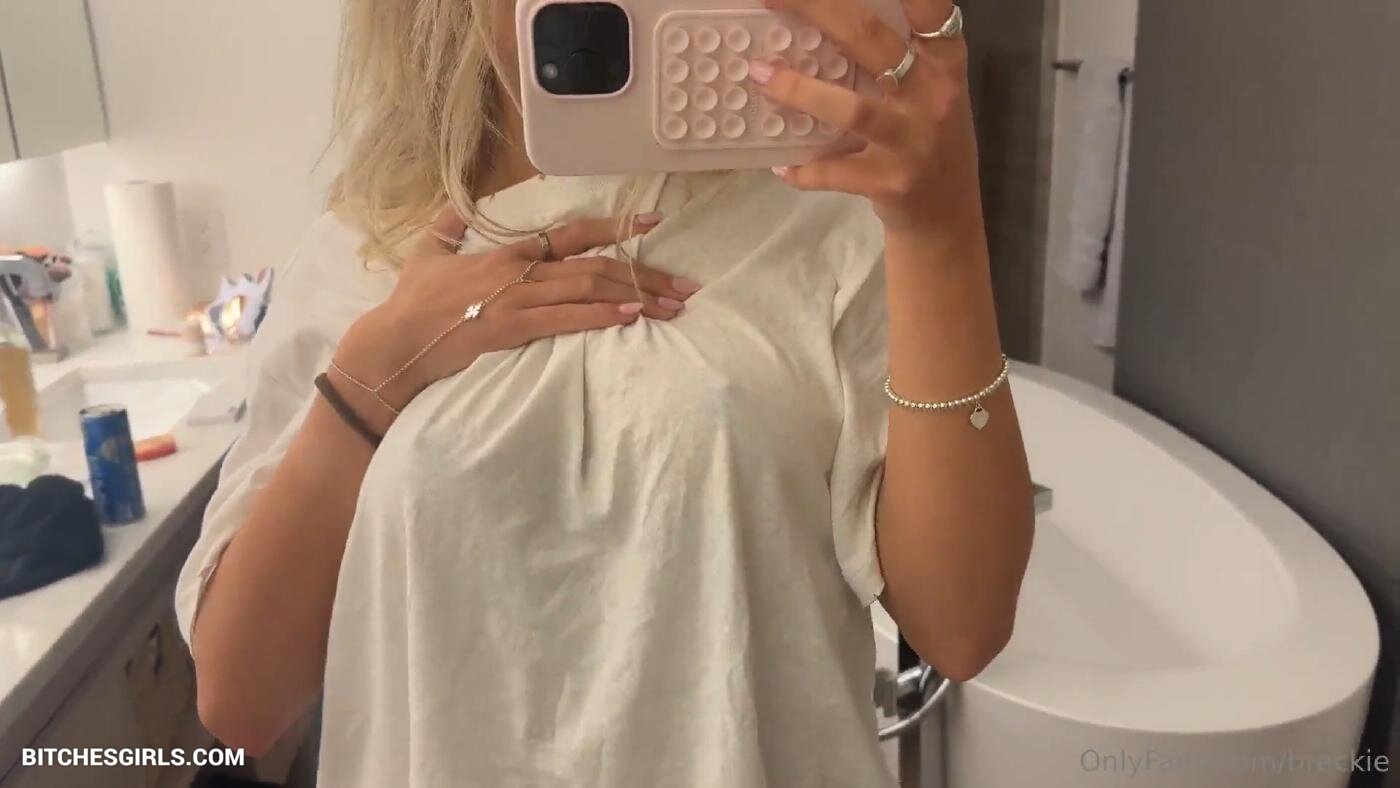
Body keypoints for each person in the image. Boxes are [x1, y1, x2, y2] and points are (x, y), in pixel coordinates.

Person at [175, 0, 1034, 784]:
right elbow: (241, 699)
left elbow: (961, 628)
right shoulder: (365, 251)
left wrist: (943, 226)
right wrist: (377, 374)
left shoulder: (830, 215)